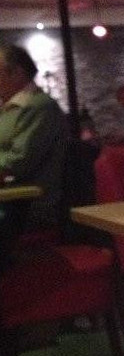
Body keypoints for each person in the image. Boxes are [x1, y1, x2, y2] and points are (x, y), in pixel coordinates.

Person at [0, 44, 69, 242]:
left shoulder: (40, 107)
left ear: (18, 73)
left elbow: (18, 162)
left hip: (28, 205)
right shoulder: (9, 109)